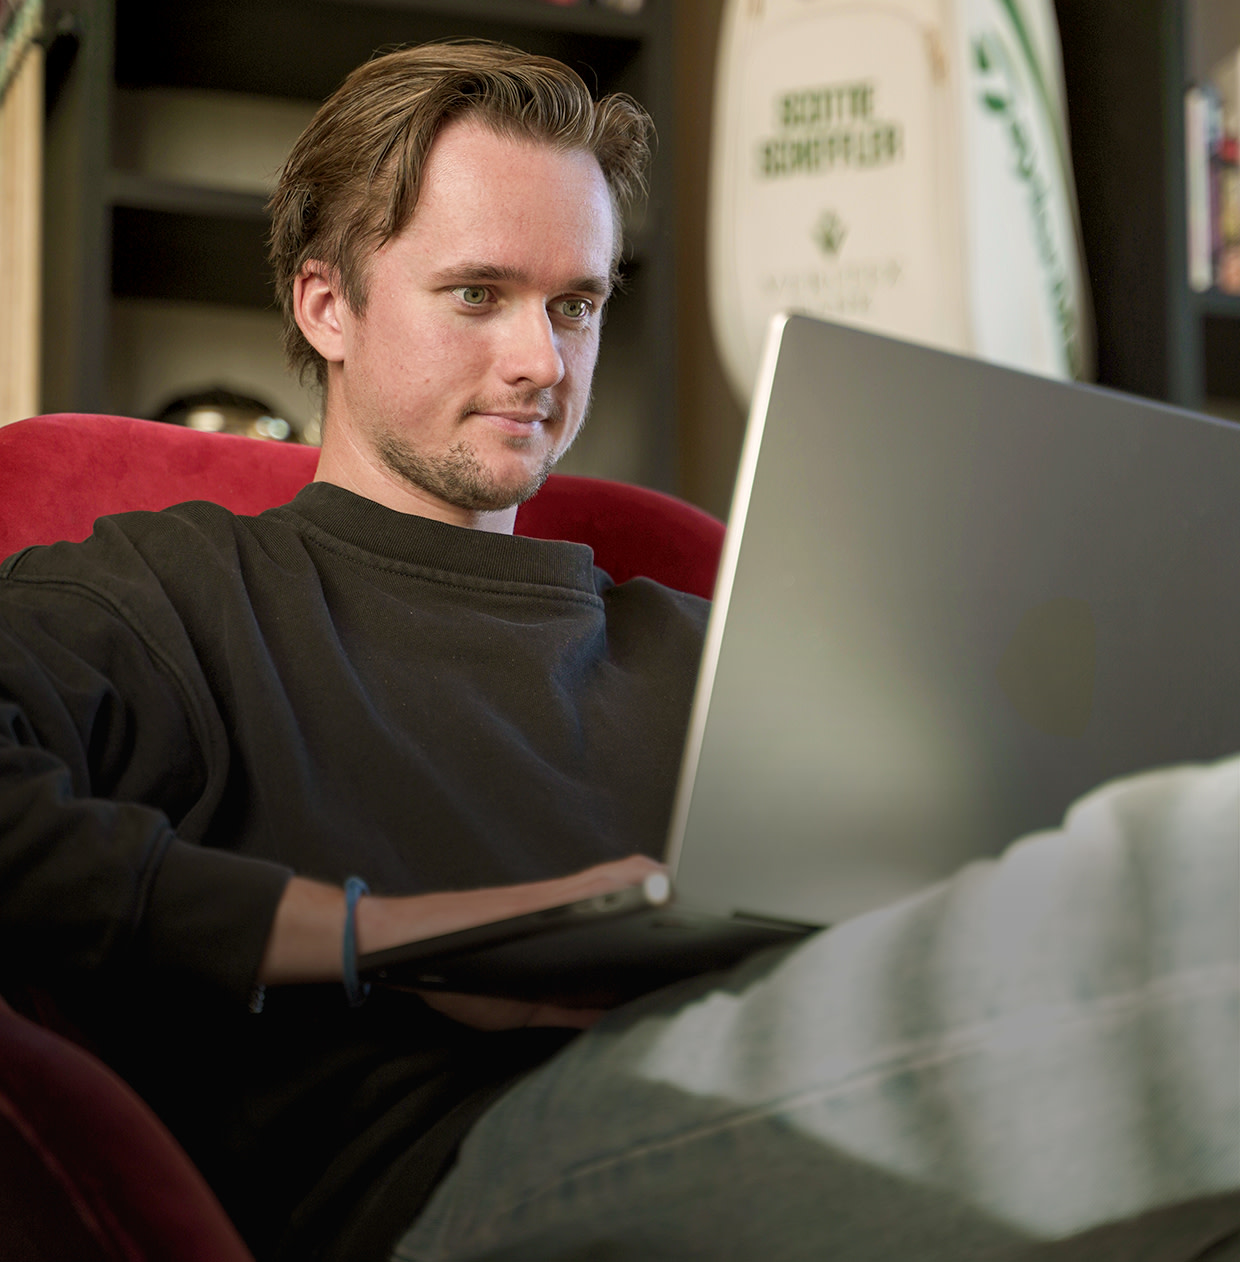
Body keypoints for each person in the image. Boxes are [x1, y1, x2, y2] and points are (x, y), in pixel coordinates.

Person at [1, 40, 1236, 1262]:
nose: (542, 360)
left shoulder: (714, 647)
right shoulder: (171, 589)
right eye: (478, 293)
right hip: (463, 1177)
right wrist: (380, 934)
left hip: (813, 1071)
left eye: (575, 303)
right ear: (327, 303)